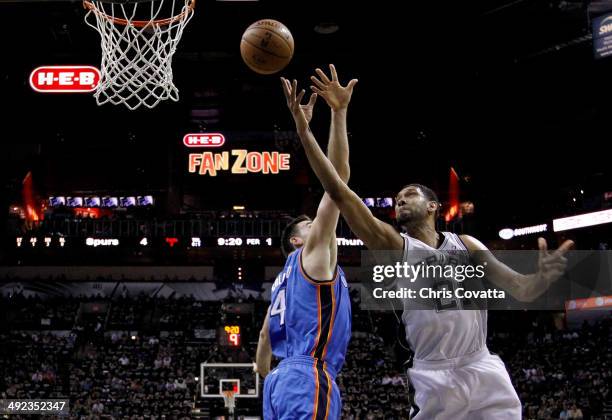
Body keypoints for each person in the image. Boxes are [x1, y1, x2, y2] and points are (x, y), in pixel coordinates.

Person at [281, 69, 573, 419]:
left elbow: (522, 290)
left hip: (482, 366)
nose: (400, 200)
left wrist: (542, 278)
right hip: (433, 375)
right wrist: (317, 123)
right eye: (397, 198)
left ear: (434, 206)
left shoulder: (466, 244)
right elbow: (337, 189)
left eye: (410, 195)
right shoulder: (393, 245)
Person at [255, 65, 357, 419]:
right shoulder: (312, 254)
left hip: (281, 381)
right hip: (306, 375)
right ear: (299, 240)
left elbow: (266, 339)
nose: (322, 226)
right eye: (312, 224)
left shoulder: (282, 281)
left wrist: (271, 377)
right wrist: (337, 113)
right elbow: (337, 182)